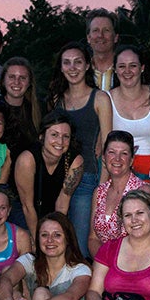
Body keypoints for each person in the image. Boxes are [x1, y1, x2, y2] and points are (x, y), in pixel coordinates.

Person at [47, 41, 112, 255]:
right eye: (67, 63)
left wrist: (102, 188)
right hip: (56, 176)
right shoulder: (57, 99)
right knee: (56, 240)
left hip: (86, 178)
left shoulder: (99, 98)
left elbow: (107, 145)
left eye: (78, 62)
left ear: (87, 65)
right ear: (61, 67)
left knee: (81, 245)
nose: (72, 68)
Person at [12, 112, 84, 236]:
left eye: (66, 136)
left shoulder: (75, 161)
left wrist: (56, 233)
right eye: (54, 135)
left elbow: (62, 204)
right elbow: (27, 206)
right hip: (24, 209)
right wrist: (37, 238)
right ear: (42, 136)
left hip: (51, 209)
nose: (60, 141)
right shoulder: (27, 160)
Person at [87, 130, 150, 257]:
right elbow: (93, 238)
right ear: (104, 157)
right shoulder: (99, 192)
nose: (117, 158)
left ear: (131, 160)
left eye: (124, 153)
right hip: (103, 262)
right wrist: (105, 263)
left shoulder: (143, 191)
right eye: (112, 152)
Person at [107, 45, 150, 178]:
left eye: (133, 66)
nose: (127, 71)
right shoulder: (105, 99)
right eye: (122, 66)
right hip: (116, 170)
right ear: (115, 69)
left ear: (142, 68)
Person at [0, 56, 42, 160]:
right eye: (11, 77)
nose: (17, 82)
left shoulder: (40, 109)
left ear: (29, 82)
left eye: (22, 78)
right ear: (3, 81)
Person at [86, 9, 120, 91]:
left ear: (116, 37)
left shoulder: (127, 72)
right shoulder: (80, 73)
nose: (100, 35)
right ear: (88, 38)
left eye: (106, 30)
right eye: (95, 30)